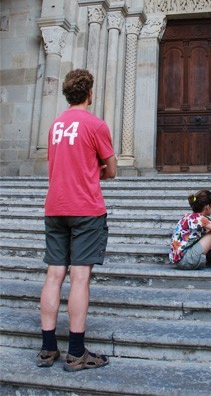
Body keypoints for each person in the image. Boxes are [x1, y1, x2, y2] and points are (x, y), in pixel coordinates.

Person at [37, 69, 117, 371]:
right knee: (80, 277)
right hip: (85, 208)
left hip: (55, 207)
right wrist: (94, 171)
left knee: (54, 274)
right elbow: (112, 170)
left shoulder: (55, 125)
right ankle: (76, 352)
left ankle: (47, 349)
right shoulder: (96, 125)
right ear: (89, 93)